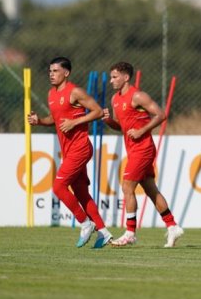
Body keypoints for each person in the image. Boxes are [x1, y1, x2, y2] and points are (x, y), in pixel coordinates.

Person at [27, 57, 113, 248]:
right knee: (81, 193)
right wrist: (39, 121)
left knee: (58, 187)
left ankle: (85, 223)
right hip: (69, 150)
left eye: (56, 71)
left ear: (66, 73)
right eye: (50, 71)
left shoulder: (75, 92)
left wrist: (75, 122)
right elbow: (56, 118)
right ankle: (104, 233)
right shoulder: (51, 94)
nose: (51, 74)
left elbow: (98, 111)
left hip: (80, 147)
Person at [102, 62, 184, 247]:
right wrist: (108, 120)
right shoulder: (115, 99)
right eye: (111, 77)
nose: (111, 81)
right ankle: (172, 226)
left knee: (127, 187)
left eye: (115, 77)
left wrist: (141, 131)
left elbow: (161, 115)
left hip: (143, 148)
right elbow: (120, 126)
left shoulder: (138, 95)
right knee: (150, 189)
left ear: (126, 77)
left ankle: (130, 232)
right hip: (132, 150)